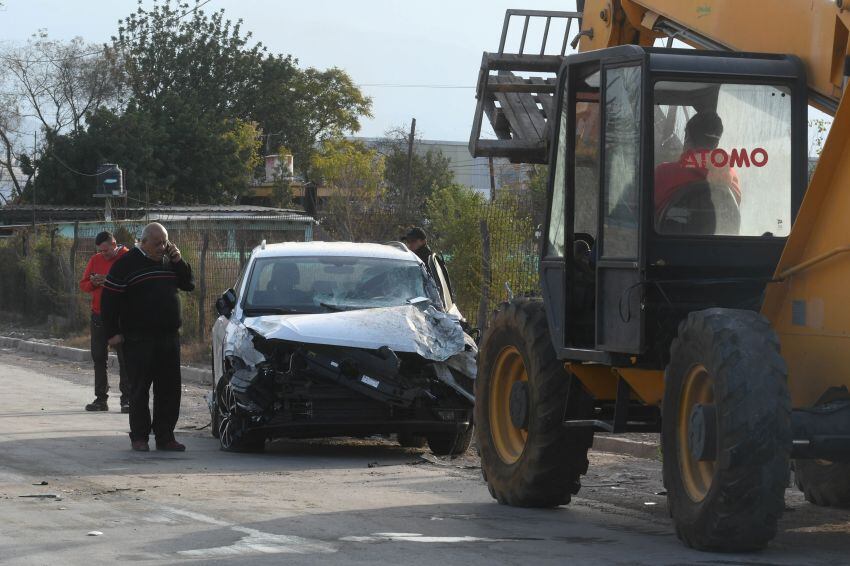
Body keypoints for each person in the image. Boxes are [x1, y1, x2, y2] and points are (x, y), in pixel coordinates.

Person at [101, 222, 195, 452]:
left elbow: (188, 284)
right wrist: (112, 333)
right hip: (138, 338)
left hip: (168, 337)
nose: (162, 247)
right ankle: (139, 437)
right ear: (143, 242)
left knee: (169, 389)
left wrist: (178, 261)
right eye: (157, 243)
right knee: (140, 388)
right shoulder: (126, 264)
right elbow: (109, 301)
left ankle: (165, 437)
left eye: (165, 242)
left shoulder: (169, 262)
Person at [79, 231, 130, 413]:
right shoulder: (95, 259)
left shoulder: (127, 257)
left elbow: (133, 285)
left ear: (114, 243)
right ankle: (101, 399)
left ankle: (127, 400)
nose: (104, 254)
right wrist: (93, 282)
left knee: (125, 359)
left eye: (106, 250)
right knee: (99, 357)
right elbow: (83, 284)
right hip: (99, 315)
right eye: (101, 251)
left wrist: (108, 281)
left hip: (121, 317)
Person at [654, 111, 741, 214]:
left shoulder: (663, 174)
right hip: (718, 230)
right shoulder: (732, 180)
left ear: (687, 138)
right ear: (716, 144)